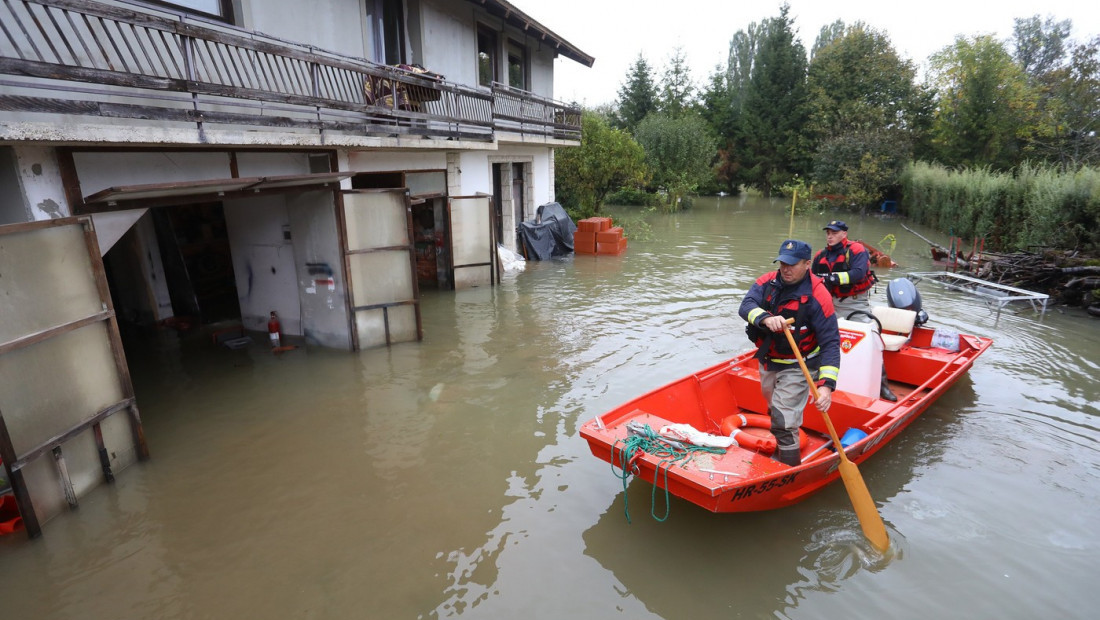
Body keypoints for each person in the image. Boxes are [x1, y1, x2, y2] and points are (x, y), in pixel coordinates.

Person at [739, 239, 841, 466]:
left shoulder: (818, 295)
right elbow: (746, 306)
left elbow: (831, 343)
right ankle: (782, 442)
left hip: (798, 364)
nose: (786, 268)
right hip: (768, 361)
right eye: (783, 263)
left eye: (792, 264)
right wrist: (765, 318)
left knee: (784, 421)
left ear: (807, 264)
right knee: (774, 410)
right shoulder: (767, 281)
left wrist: (826, 386)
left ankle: (789, 468)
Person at [811, 220, 897, 401]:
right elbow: (812, 278)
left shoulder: (857, 250)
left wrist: (830, 277)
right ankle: (818, 376)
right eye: (828, 232)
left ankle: (882, 386)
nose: (830, 235)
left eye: (834, 232)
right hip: (829, 302)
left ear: (844, 233)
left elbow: (857, 273)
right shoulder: (820, 256)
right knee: (819, 339)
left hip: (854, 303)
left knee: (871, 341)